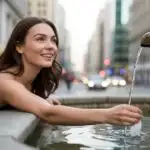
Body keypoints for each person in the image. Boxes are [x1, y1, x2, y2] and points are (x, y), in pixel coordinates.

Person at [0, 17, 142, 126]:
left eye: (53, 40)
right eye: (40, 39)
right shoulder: (5, 81)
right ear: (19, 47)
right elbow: (48, 113)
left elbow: (31, 102)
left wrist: (41, 99)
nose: (51, 47)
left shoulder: (31, 82)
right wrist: (108, 115)